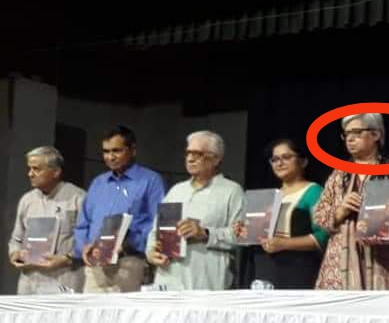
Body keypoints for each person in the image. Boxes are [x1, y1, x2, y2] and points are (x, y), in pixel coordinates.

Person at [314, 113, 389, 290]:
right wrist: (340, 211)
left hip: (383, 263)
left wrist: (387, 219)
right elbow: (319, 217)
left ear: (376, 135)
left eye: (357, 132)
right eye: (346, 134)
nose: (350, 139)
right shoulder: (338, 174)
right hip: (339, 267)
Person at [145, 131, 244, 290]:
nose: (190, 159)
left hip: (206, 281)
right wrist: (151, 252)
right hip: (168, 279)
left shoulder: (232, 191)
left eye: (197, 154)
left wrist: (205, 233)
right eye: (188, 153)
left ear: (216, 159)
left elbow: (240, 237)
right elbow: (155, 231)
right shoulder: (176, 191)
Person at [74, 125, 166, 293]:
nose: (110, 157)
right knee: (91, 310)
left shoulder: (151, 181)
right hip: (95, 266)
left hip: (130, 263)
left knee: (126, 311)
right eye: (106, 151)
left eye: (116, 151)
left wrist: (130, 243)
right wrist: (84, 247)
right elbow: (83, 224)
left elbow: (158, 223)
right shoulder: (98, 183)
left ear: (132, 150)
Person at [238, 139, 329, 289]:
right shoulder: (270, 196)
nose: (279, 163)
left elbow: (323, 236)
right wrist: (244, 231)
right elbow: (257, 235)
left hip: (297, 270)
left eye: (286, 157)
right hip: (264, 269)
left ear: (303, 162)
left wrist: (284, 244)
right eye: (275, 159)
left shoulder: (313, 192)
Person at [7, 146, 86, 294]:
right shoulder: (27, 200)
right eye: (29, 168)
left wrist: (66, 259)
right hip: (29, 282)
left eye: (36, 169)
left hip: (63, 279)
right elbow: (16, 239)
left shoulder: (78, 198)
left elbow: (87, 240)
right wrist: (15, 254)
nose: (30, 174)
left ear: (56, 172)